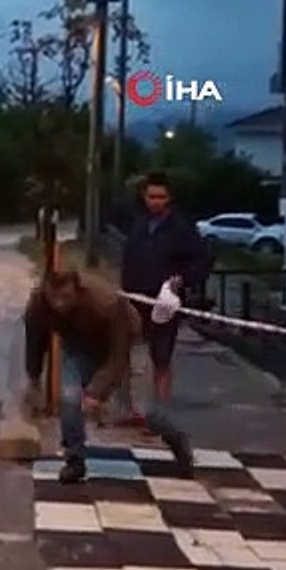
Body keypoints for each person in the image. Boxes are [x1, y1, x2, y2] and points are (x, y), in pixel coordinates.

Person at [24, 269, 194, 483]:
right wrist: (34, 378)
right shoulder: (38, 305)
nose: (59, 304)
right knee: (69, 397)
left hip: (128, 340)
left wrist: (97, 391)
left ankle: (177, 440)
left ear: (78, 291)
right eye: (54, 298)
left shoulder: (107, 303)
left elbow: (118, 354)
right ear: (46, 292)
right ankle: (74, 460)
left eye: (66, 297)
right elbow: (35, 341)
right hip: (80, 346)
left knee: (141, 409)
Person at [119, 171, 212, 418]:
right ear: (144, 196)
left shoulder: (182, 228)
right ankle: (133, 411)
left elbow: (202, 262)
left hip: (164, 303)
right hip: (134, 300)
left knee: (161, 357)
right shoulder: (139, 224)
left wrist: (181, 280)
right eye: (152, 196)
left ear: (169, 198)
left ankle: (159, 415)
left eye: (161, 197)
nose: (156, 202)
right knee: (131, 355)